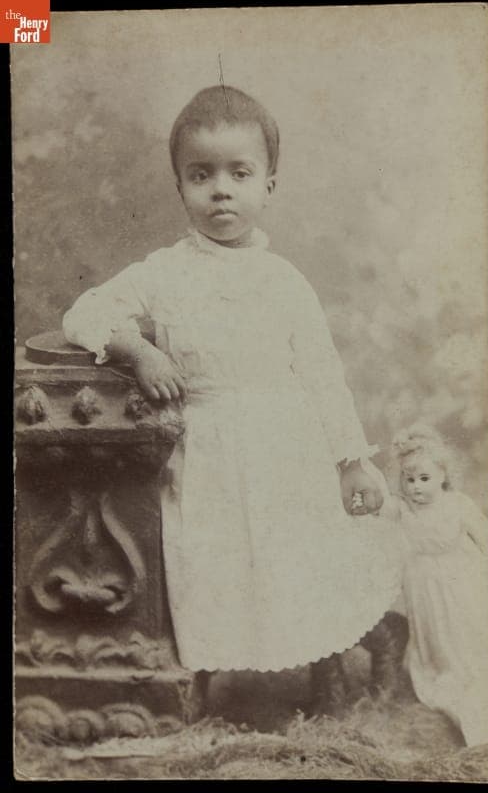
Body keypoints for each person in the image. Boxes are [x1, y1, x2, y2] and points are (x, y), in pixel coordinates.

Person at [63, 85, 402, 718]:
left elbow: (324, 374)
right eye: (201, 175)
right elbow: (86, 311)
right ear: (180, 188)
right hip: (206, 447)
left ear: (268, 185)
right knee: (209, 564)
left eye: (239, 173)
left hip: (286, 444)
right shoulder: (164, 273)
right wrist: (139, 351)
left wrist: (351, 460)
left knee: (301, 557)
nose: (221, 190)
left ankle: (327, 669)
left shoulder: (285, 281)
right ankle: (207, 675)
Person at [386, 423, 488, 746]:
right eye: (410, 480)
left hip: (458, 581)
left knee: (465, 633)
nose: (416, 487)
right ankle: (437, 666)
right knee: (434, 638)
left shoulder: (456, 504)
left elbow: (484, 537)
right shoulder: (404, 510)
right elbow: (379, 508)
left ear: (443, 477)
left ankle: (468, 674)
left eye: (425, 479)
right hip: (423, 590)